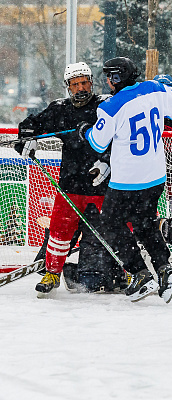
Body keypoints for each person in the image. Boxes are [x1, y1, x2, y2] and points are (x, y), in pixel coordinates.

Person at [15, 61, 136, 297]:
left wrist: (108, 161)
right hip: (70, 186)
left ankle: (131, 271)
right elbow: (31, 124)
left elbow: (124, 137)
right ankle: (52, 272)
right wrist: (27, 139)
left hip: (105, 185)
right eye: (74, 84)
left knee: (120, 230)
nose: (80, 88)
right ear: (67, 87)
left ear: (91, 82)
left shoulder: (106, 105)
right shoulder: (60, 109)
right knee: (60, 231)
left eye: (84, 82)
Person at [78, 57, 172, 304]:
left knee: (110, 224)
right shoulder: (155, 88)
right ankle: (164, 270)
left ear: (116, 78)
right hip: (156, 174)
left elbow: (97, 142)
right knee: (145, 222)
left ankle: (140, 273)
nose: (107, 81)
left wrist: (86, 129)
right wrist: (164, 92)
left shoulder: (111, 106)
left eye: (110, 76)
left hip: (127, 180)